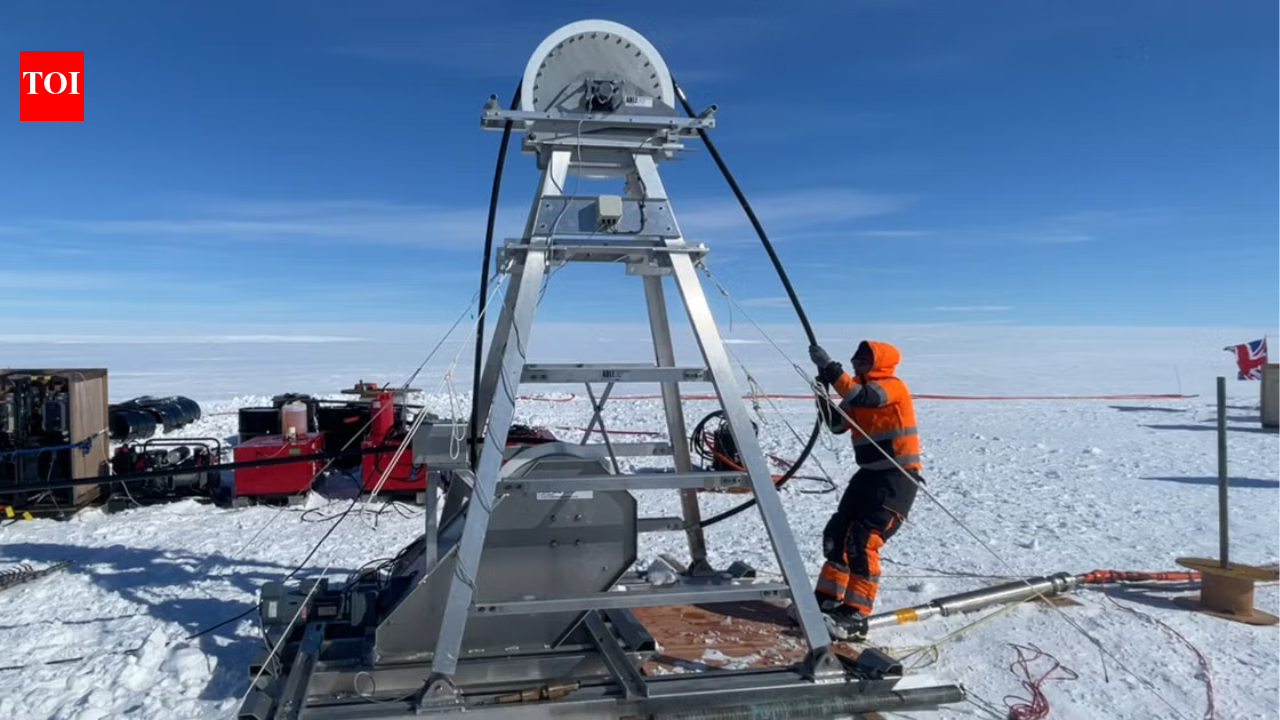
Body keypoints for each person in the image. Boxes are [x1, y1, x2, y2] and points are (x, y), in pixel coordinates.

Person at [805, 340, 923, 641]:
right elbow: (836, 425)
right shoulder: (856, 389)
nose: (855, 363)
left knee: (863, 540)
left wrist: (831, 369)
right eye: (854, 359)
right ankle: (826, 600)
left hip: (896, 478)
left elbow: (866, 398)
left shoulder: (890, 387)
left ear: (878, 363)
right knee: (838, 532)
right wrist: (822, 396)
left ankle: (855, 612)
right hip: (867, 475)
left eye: (862, 360)